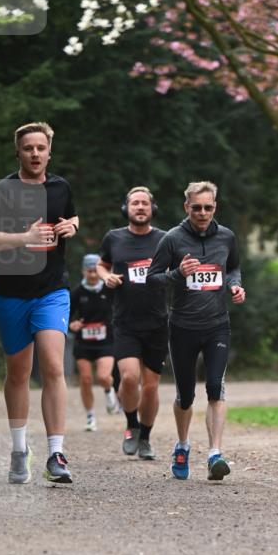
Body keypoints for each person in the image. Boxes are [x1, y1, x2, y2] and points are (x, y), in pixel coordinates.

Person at [0, 121, 79, 484]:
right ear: (18, 152)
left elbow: (70, 216)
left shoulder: (60, 187)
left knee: (53, 365)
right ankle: (20, 450)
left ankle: (56, 453)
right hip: (12, 293)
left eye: (41, 147)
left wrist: (72, 227)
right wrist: (25, 237)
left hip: (52, 290)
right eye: (28, 148)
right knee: (18, 372)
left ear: (50, 151)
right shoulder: (3, 190)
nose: (35, 154)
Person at [146, 180, 246, 481]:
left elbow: (233, 268)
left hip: (217, 325)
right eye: (197, 207)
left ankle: (215, 453)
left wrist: (235, 286)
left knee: (216, 387)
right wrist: (178, 273)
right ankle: (182, 444)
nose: (202, 213)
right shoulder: (172, 239)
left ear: (215, 207)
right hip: (182, 327)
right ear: (186, 207)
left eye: (208, 207)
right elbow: (152, 278)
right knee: (186, 395)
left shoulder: (227, 236)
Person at [97, 186, 167, 460]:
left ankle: (146, 438)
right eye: (135, 203)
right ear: (126, 208)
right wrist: (106, 277)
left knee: (150, 386)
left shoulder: (165, 239)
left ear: (152, 209)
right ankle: (131, 425)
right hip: (125, 320)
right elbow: (102, 264)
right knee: (128, 377)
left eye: (145, 203)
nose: (140, 207)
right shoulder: (114, 238)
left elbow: (176, 269)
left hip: (157, 321)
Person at [69, 254, 118, 431]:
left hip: (106, 340)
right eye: (89, 271)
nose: (92, 275)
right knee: (86, 379)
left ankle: (109, 391)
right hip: (83, 342)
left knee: (104, 377)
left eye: (95, 271)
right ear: (83, 271)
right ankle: (90, 417)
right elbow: (66, 317)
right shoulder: (76, 293)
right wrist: (71, 325)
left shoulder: (109, 289)